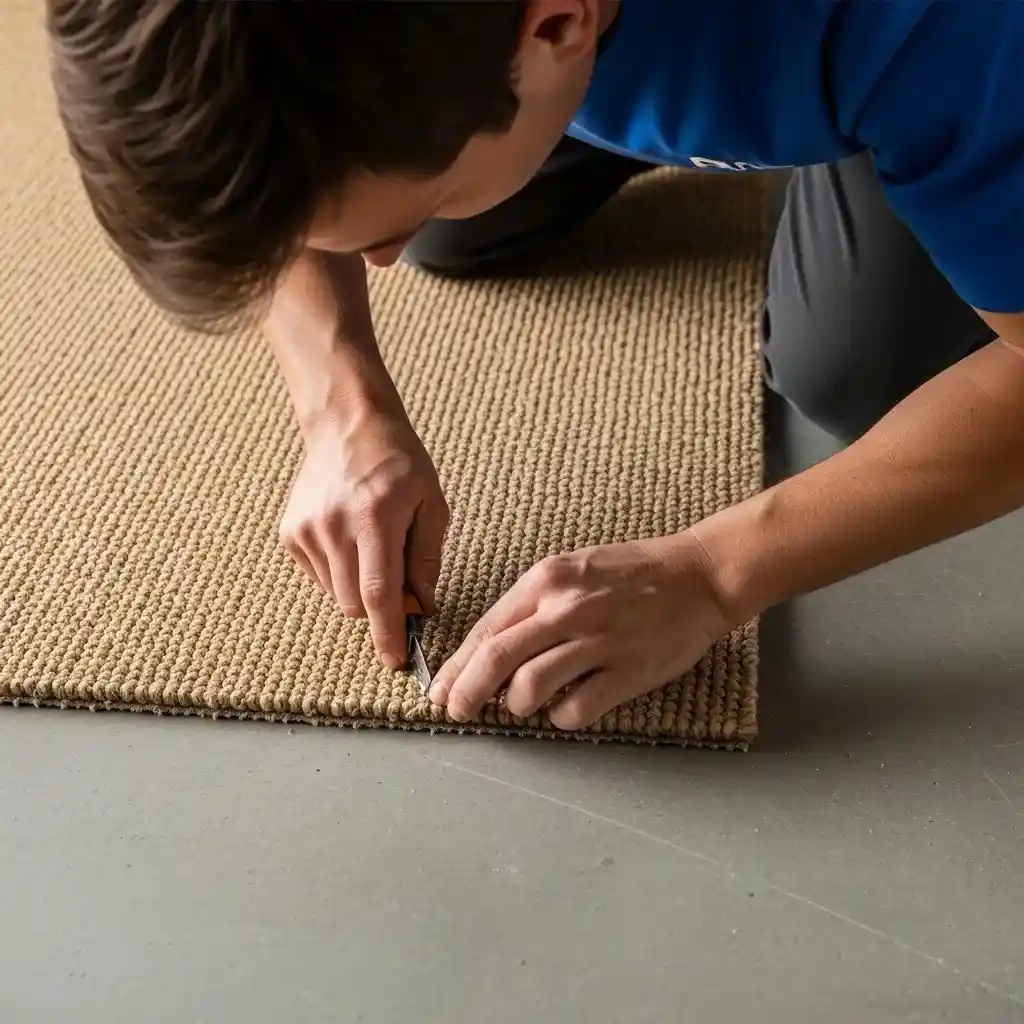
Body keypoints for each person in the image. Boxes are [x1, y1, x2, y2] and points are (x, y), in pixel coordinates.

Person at [46, 0, 1024, 731]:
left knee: (853, 365)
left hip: (873, 51)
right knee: (452, 231)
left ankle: (867, 136)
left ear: (554, 26)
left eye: (379, 229)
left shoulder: (933, 27)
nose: (372, 263)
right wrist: (339, 403)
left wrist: (717, 572)